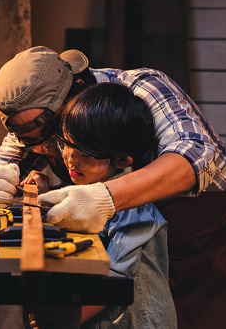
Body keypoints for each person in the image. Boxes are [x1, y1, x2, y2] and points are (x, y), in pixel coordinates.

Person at [0, 46, 226, 329]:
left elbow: (195, 154)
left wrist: (104, 197)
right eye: (34, 142)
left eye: (56, 135)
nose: (51, 150)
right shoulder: (32, 129)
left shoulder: (140, 88)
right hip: (151, 257)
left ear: (79, 88)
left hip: (220, 239)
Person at [37, 82, 176, 328]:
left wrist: (62, 319)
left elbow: (116, 279)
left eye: (85, 153)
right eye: (66, 143)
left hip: (139, 320)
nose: (70, 157)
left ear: (122, 160)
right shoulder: (92, 184)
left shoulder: (132, 202)